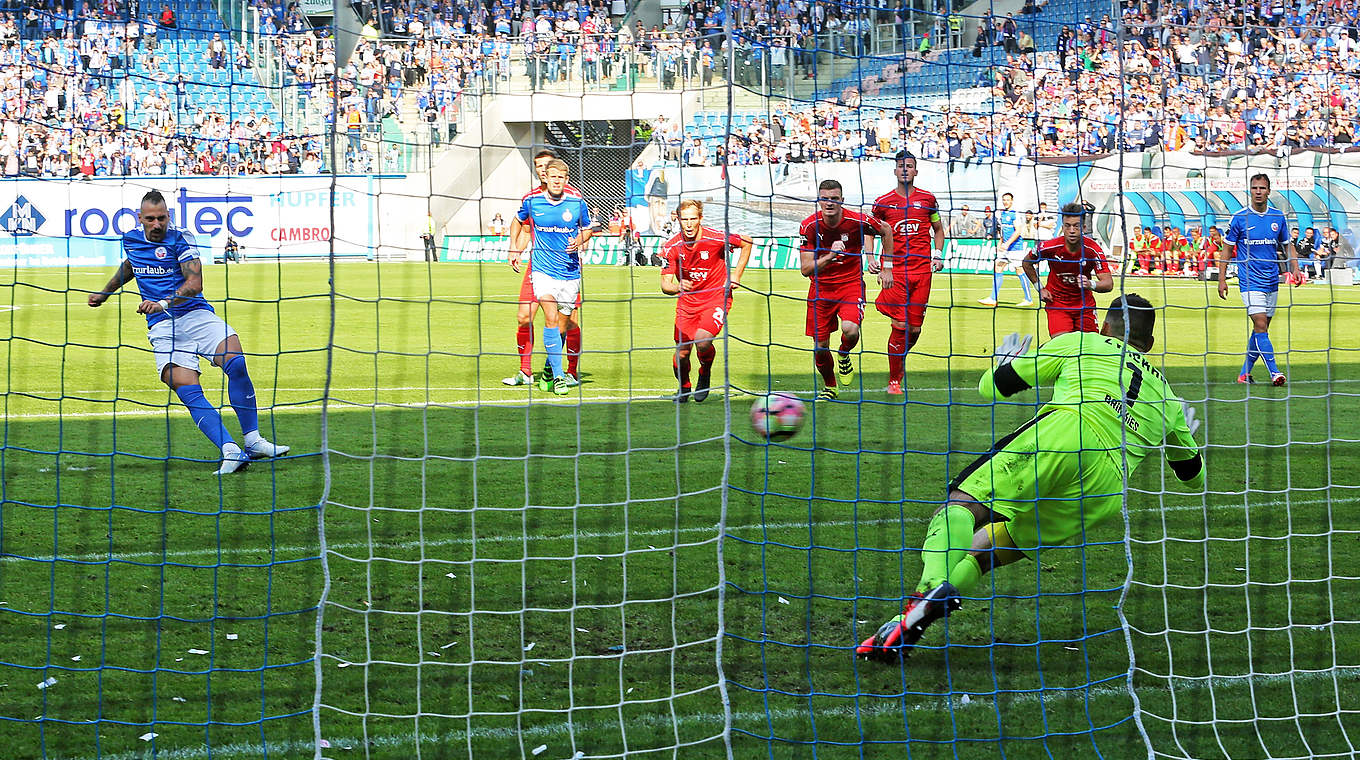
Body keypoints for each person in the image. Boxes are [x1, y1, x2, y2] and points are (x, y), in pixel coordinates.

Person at [856, 294, 1204, 662]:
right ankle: (907, 622)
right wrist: (1189, 441)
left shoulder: (1082, 341)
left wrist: (1002, 365)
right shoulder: (1167, 398)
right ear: (1148, 345)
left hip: (1066, 432)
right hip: (1105, 490)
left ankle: (925, 592)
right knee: (986, 552)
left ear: (1104, 326)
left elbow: (993, 388)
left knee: (962, 506)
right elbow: (1192, 477)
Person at [87, 190, 288, 474]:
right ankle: (231, 450)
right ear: (139, 218)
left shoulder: (181, 238)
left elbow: (195, 283)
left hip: (195, 314)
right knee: (186, 387)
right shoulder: (130, 239)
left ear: (169, 216)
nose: (157, 225)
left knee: (236, 362)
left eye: (162, 218)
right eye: (150, 219)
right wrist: (105, 293)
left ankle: (253, 440)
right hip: (163, 328)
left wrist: (162, 302)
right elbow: (131, 266)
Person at [799, 179, 892, 400]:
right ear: (819, 200)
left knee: (851, 330)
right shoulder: (809, 226)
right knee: (820, 347)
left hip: (851, 285)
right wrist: (830, 256)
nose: (829, 203)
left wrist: (887, 267)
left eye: (834, 199)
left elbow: (886, 230)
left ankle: (844, 353)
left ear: (842, 200)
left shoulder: (857, 220)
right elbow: (805, 269)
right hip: (820, 290)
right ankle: (830, 386)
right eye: (825, 199)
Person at [510, 158, 595, 395]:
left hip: (569, 271)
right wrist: (513, 248)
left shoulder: (576, 201)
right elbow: (520, 222)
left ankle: (554, 366)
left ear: (566, 180)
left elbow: (588, 228)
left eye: (561, 177)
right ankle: (554, 376)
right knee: (545, 314)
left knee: (564, 322)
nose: (556, 180)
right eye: (551, 175)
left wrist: (579, 240)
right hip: (541, 270)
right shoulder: (532, 201)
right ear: (545, 176)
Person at [659, 199, 753, 402]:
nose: (689, 224)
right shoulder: (671, 246)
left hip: (716, 298)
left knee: (702, 341)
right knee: (682, 354)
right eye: (685, 219)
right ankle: (684, 388)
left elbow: (747, 242)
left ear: (700, 218)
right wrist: (677, 287)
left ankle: (705, 372)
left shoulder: (716, 238)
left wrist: (736, 275)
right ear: (678, 220)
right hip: (687, 304)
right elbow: (665, 284)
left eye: (693, 218)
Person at [871, 150, 945, 395]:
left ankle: (898, 356)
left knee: (914, 329)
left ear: (915, 171)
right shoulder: (883, 202)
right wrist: (871, 258)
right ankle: (894, 381)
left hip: (923, 270)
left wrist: (938, 254)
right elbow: (870, 230)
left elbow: (938, 229)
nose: (905, 169)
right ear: (895, 170)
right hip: (895, 272)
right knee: (900, 325)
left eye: (909, 165)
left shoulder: (928, 200)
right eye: (901, 165)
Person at [1217, 173, 1301, 386]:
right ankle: (1275, 373)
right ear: (1250, 190)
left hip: (1272, 281)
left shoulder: (1278, 217)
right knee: (1261, 324)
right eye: (1254, 188)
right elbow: (1227, 250)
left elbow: (1287, 245)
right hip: (1249, 280)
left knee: (1260, 330)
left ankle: (1244, 375)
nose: (1258, 192)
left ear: (1268, 191)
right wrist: (1222, 279)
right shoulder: (1239, 218)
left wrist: (1295, 268)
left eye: (1262, 188)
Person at [1023, 202, 1114, 336]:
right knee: (1063, 347)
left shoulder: (1092, 249)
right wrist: (1040, 288)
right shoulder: (1049, 247)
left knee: (1088, 350)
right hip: (1057, 304)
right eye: (1067, 226)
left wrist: (1090, 284)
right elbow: (1026, 262)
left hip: (1085, 307)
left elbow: (1108, 283)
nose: (1072, 230)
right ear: (1063, 227)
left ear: (1083, 227)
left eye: (1076, 226)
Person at [980, 193, 1034, 307]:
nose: (1005, 202)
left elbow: (1018, 231)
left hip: (1015, 248)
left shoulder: (1015, 214)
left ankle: (1028, 299)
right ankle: (993, 298)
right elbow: (1003, 231)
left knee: (1020, 270)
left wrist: (1008, 243)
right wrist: (1000, 243)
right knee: (998, 267)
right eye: (1004, 200)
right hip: (1005, 248)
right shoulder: (1002, 214)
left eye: (1008, 200)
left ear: (1012, 201)